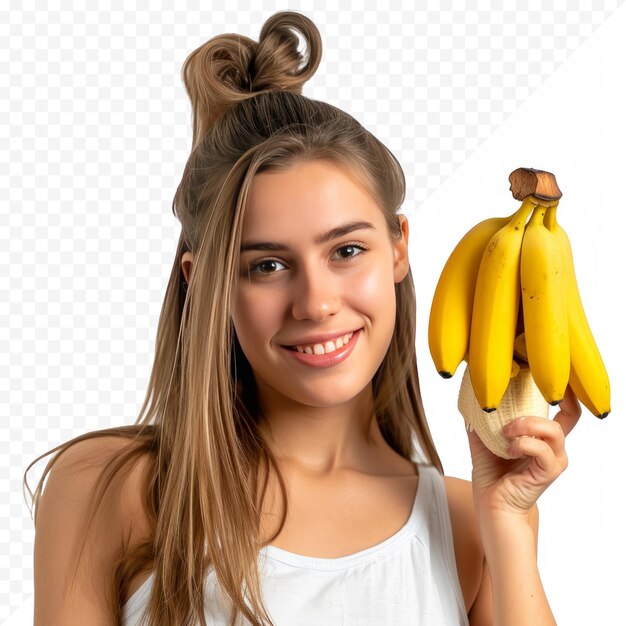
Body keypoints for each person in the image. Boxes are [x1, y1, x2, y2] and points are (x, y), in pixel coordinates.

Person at [25, 10, 580, 626]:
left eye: (346, 251)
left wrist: (508, 520)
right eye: (266, 265)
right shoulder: (115, 489)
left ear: (398, 246)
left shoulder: (464, 524)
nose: (315, 302)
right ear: (201, 279)